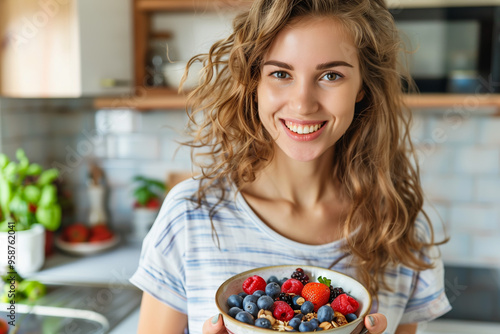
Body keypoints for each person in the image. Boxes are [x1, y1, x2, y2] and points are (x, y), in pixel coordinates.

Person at [130, 0, 451, 333]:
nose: (302, 103)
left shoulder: (402, 229)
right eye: (281, 73)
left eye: (331, 75)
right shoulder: (189, 215)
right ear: (254, 82)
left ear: (362, 87)